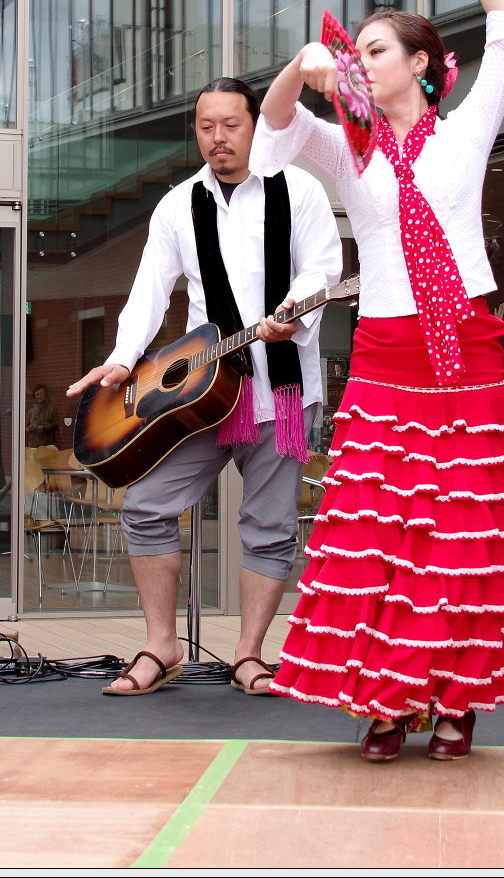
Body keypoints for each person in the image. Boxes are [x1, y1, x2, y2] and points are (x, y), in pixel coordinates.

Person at [255, 0, 504, 761]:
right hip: (387, 353)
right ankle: (385, 701)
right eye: (360, 50)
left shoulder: (464, 132)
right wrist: (303, 61)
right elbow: (272, 123)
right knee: (378, 535)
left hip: (466, 348)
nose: (367, 60)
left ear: (420, 63)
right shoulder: (347, 147)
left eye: (379, 48)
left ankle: (459, 702)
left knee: (462, 539)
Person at [67, 77, 341, 698]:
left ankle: (249, 655)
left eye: (232, 125)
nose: (218, 138)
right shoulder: (176, 204)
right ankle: (160, 647)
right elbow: (149, 293)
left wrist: (294, 312)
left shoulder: (299, 190)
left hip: (283, 394)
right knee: (145, 507)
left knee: (269, 526)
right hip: (199, 395)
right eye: (206, 126)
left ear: (256, 126)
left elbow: (324, 268)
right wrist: (121, 360)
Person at [26, 385, 60, 449]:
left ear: (46, 395)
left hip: (47, 444)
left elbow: (56, 424)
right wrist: (29, 428)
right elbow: (26, 427)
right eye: (36, 395)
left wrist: (43, 428)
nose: (38, 396)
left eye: (40, 394)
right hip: (33, 444)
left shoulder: (52, 409)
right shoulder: (31, 411)